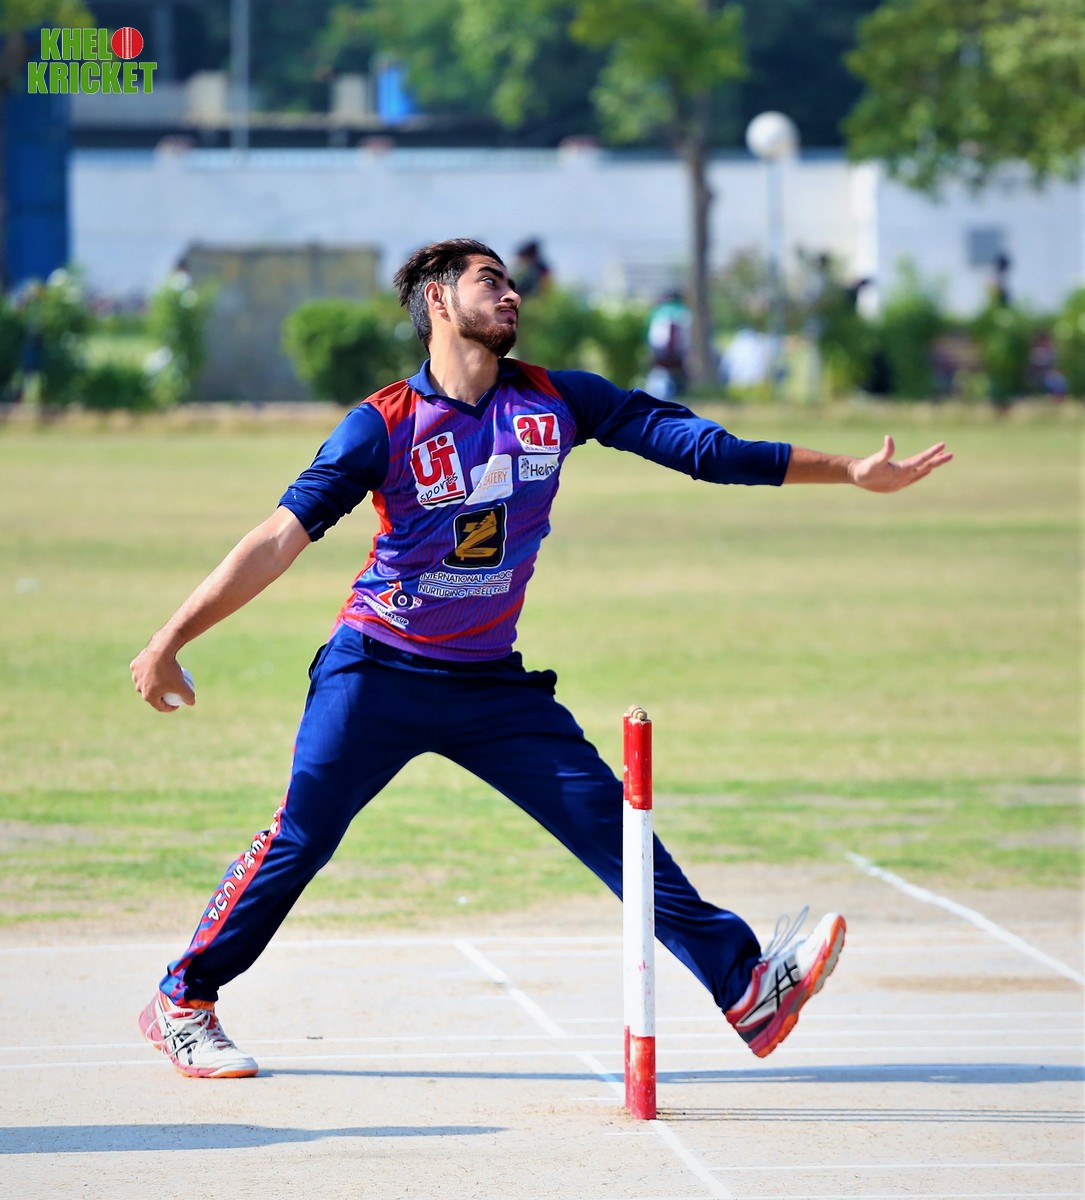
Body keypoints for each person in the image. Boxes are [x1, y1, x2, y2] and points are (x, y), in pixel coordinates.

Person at [131, 237, 952, 1079]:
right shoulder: (381, 424)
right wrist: (169, 640)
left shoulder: (559, 399)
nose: (511, 295)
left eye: (512, 283)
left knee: (614, 829)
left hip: (491, 686)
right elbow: (277, 540)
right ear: (439, 302)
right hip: (376, 668)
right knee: (301, 837)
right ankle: (182, 1000)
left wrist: (849, 471)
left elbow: (705, 451)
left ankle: (745, 988)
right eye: (489, 281)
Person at [645, 290, 692, 399]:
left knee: (658, 374)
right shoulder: (685, 311)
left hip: (659, 351)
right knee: (677, 376)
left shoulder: (657, 311)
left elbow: (648, 334)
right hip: (678, 352)